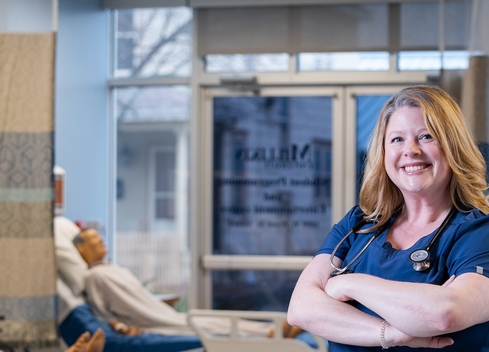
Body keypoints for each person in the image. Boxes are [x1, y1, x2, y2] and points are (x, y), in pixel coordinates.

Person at [287, 85, 489, 351]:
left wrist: (347, 284)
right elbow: (301, 309)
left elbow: (444, 314)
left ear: (453, 147)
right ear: (383, 154)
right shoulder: (359, 224)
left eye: (427, 136)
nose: (411, 150)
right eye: (397, 140)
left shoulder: (477, 232)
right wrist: (392, 333)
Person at [73, 227, 300, 338]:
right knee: (204, 326)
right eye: (94, 239)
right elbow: (103, 314)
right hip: (152, 322)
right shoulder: (94, 277)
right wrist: (123, 328)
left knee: (206, 319)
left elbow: (138, 296)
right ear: (82, 248)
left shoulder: (113, 269)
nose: (101, 240)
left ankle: (272, 329)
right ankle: (271, 334)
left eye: (100, 236)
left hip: (161, 312)